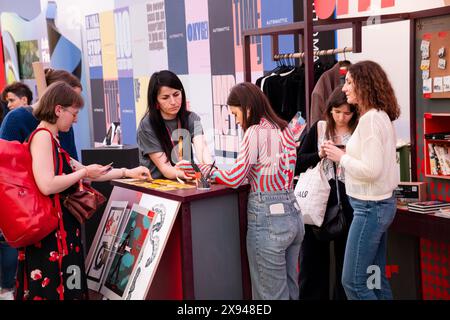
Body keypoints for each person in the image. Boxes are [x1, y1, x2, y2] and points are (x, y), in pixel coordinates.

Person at [15, 81, 151, 300]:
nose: (76, 119)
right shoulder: (42, 138)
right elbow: (47, 184)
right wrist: (83, 172)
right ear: (58, 109)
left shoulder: (50, 138)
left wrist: (127, 171)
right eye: (73, 113)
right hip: (51, 236)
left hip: (60, 232)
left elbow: (88, 172)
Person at [177, 82, 304, 300]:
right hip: (293, 214)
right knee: (291, 292)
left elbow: (235, 178)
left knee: (269, 297)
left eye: (236, 114)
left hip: (268, 219)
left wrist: (208, 170)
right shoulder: (286, 130)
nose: (236, 121)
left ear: (247, 108)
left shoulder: (255, 132)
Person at [323, 60, 400, 300]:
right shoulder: (379, 117)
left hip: (369, 208)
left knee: (354, 282)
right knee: (374, 279)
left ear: (364, 85)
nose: (344, 89)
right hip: (378, 206)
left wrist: (341, 157)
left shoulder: (369, 121)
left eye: (349, 83)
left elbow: (372, 169)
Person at [296, 85, 358, 300]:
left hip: (350, 202)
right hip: (317, 201)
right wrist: (319, 154)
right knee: (312, 264)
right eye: (337, 111)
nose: (341, 117)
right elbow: (297, 163)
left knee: (347, 267)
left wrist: (347, 156)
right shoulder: (319, 128)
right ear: (329, 109)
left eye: (347, 112)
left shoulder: (360, 131)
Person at [137, 70, 212, 180]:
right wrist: (195, 175)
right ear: (156, 101)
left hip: (187, 184)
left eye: (176, 94)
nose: (173, 102)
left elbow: (202, 149)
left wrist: (210, 171)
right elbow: (166, 169)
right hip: (157, 187)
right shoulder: (147, 125)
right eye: (165, 97)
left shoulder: (191, 118)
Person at [0, 82, 34, 300]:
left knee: (9, 240)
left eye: (12, 100)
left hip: (20, 196)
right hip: (20, 195)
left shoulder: (16, 120)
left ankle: (8, 287)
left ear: (24, 99)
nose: (9, 105)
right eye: (7, 102)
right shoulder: (14, 120)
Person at [0, 68, 80, 160]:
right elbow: (5, 162)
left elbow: (70, 162)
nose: (75, 119)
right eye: (73, 99)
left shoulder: (65, 124)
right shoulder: (15, 119)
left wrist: (84, 170)